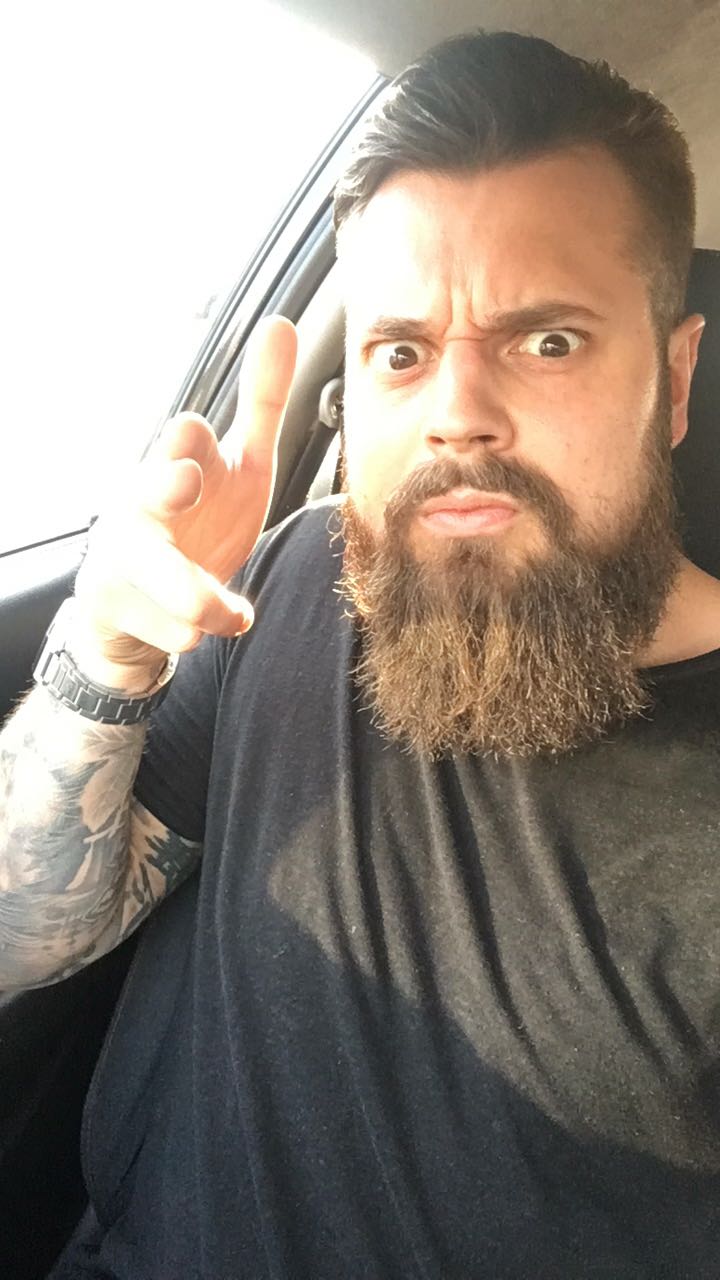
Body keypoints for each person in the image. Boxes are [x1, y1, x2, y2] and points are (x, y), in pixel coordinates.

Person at [1, 28, 718, 1279]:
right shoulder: (289, 582)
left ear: (674, 373)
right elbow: (24, 932)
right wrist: (103, 652)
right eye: (401, 352)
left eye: (547, 340)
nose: (458, 414)